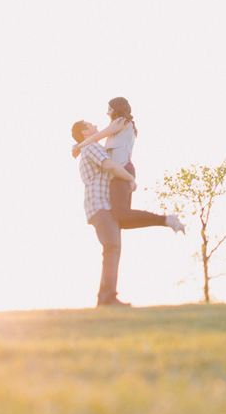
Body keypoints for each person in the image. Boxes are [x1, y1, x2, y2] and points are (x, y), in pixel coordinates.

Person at [72, 119, 184, 308]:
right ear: (84, 132)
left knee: (112, 248)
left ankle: (105, 298)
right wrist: (130, 178)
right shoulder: (91, 147)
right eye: (91, 125)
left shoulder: (88, 147)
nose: (97, 127)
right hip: (100, 205)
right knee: (112, 247)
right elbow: (110, 166)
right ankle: (107, 298)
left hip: (99, 206)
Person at [73, 97, 185, 233]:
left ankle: (167, 220)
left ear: (117, 108)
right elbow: (99, 148)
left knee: (121, 214)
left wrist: (78, 146)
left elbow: (96, 138)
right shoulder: (117, 129)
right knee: (122, 220)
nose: (107, 113)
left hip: (123, 169)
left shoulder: (122, 122)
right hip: (120, 172)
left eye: (109, 109)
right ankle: (166, 221)